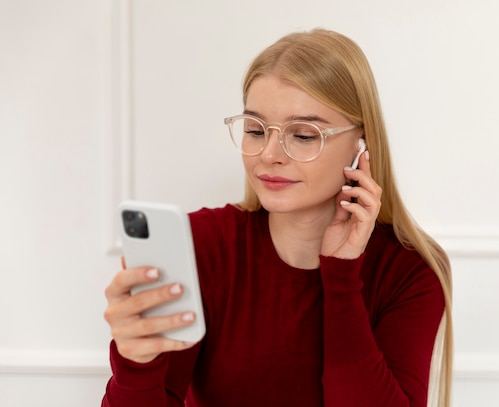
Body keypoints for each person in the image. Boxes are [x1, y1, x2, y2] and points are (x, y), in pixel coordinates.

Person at [102, 28, 453, 407]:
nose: (269, 153)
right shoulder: (202, 246)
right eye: (255, 130)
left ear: (360, 145)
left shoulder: (410, 269)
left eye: (303, 135)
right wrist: (135, 362)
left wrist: (341, 276)